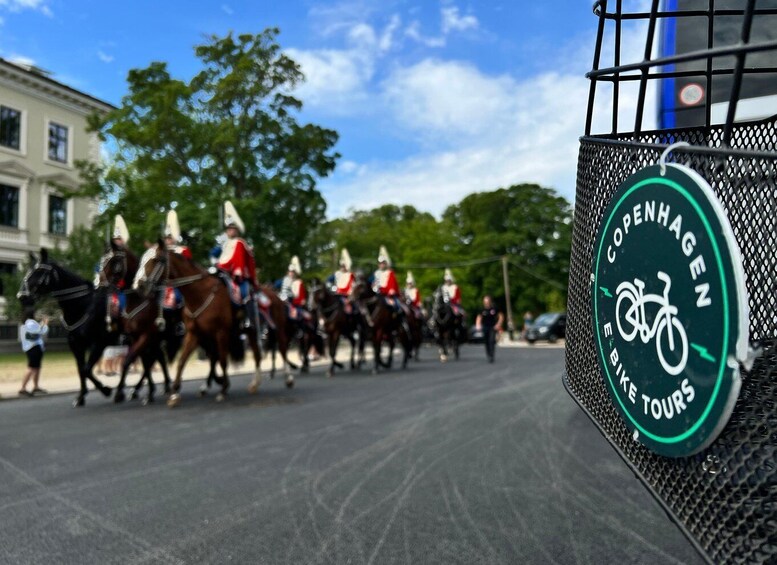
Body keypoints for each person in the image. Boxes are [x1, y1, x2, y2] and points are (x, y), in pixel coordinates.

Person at [217, 201, 258, 328]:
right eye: (228, 229)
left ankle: (248, 319)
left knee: (245, 294)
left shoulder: (240, 242)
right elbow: (223, 259)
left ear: (237, 230)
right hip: (224, 274)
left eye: (232, 229)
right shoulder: (225, 244)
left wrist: (238, 272)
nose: (230, 231)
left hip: (238, 277)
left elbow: (238, 260)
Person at [162, 209, 191, 311]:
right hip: (163, 284)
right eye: (166, 238)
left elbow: (188, 268)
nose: (168, 240)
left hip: (179, 284)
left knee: (179, 299)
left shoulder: (182, 250)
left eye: (170, 238)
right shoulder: (162, 253)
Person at [19, 307, 49, 396]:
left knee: (37, 367)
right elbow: (41, 331)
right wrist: (45, 323)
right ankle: (23, 388)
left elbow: (37, 330)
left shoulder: (27, 323)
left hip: (33, 347)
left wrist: (42, 324)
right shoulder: (31, 323)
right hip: (33, 347)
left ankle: (36, 386)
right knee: (31, 368)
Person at [475, 295, 504, 363]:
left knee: (491, 341)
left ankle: (492, 355)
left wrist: (498, 324)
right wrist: (478, 325)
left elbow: (501, 316)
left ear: (490, 302)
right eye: (485, 302)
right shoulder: (482, 309)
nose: (486, 303)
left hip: (493, 327)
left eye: (487, 302)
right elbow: (479, 317)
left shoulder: (494, 308)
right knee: (486, 342)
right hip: (485, 327)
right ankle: (488, 354)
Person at [280, 256, 307, 320]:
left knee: (297, 315)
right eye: (290, 272)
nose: (291, 273)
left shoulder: (297, 281)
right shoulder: (285, 280)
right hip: (285, 301)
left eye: (292, 272)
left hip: (293, 302)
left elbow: (298, 294)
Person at [333, 248, 355, 313]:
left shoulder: (351, 274)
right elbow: (329, 281)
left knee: (356, 309)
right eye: (341, 266)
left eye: (344, 266)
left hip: (349, 296)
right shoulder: (337, 274)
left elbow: (353, 285)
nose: (342, 268)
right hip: (338, 295)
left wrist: (350, 298)